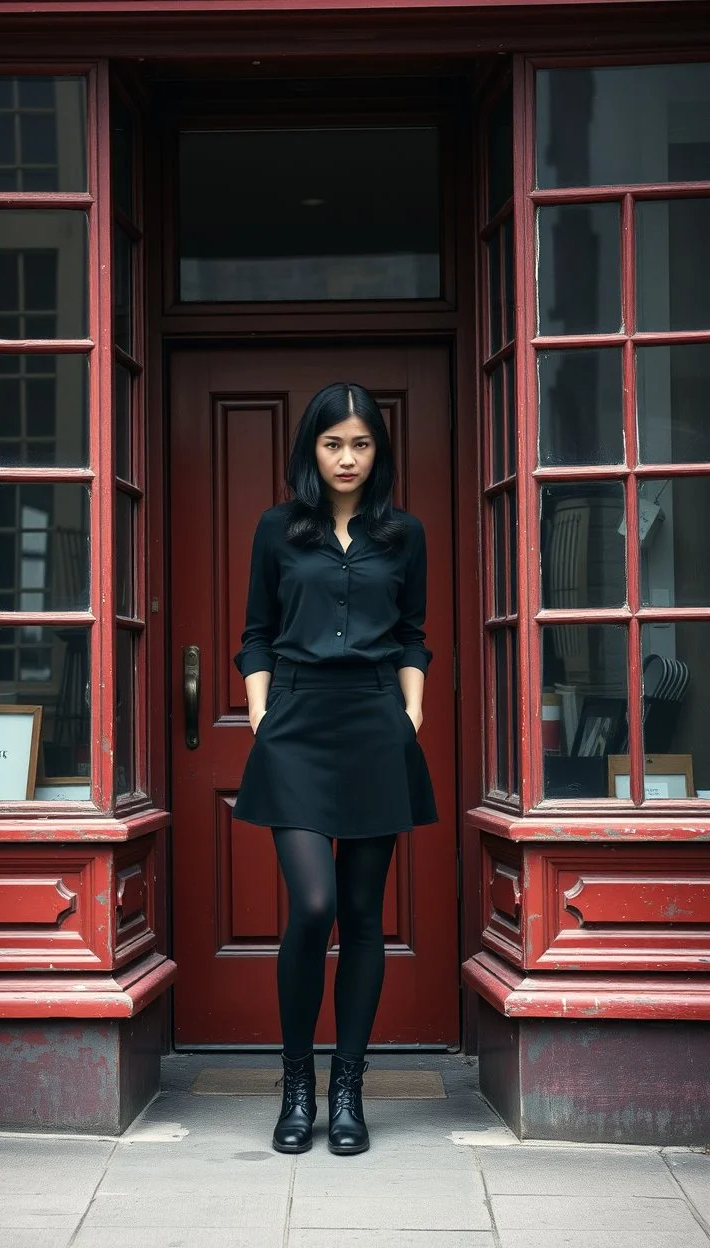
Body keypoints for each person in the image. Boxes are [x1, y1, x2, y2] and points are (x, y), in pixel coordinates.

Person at [233, 381, 437, 1156]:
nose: (347, 459)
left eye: (361, 444)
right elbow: (256, 631)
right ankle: (296, 1084)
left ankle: (347, 1090)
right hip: (296, 725)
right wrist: (261, 716)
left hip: (376, 724)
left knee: (360, 914)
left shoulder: (404, 535)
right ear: (310, 451)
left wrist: (410, 711)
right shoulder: (278, 530)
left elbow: (414, 633)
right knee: (312, 904)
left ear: (377, 452)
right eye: (332, 444)